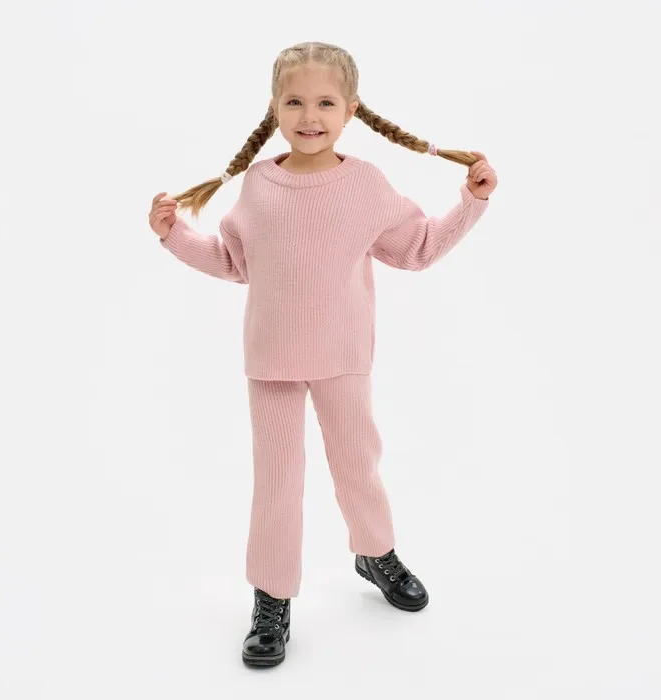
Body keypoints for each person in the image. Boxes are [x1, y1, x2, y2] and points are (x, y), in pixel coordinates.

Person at [148, 41, 498, 669]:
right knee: (276, 482)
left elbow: (417, 247)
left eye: (326, 103)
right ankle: (271, 597)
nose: (310, 116)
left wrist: (470, 202)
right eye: (295, 102)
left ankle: (375, 553)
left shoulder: (365, 183)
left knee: (357, 464)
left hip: (342, 355)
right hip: (271, 361)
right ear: (274, 107)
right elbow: (233, 261)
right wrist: (173, 235)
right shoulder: (259, 184)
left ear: (351, 109)